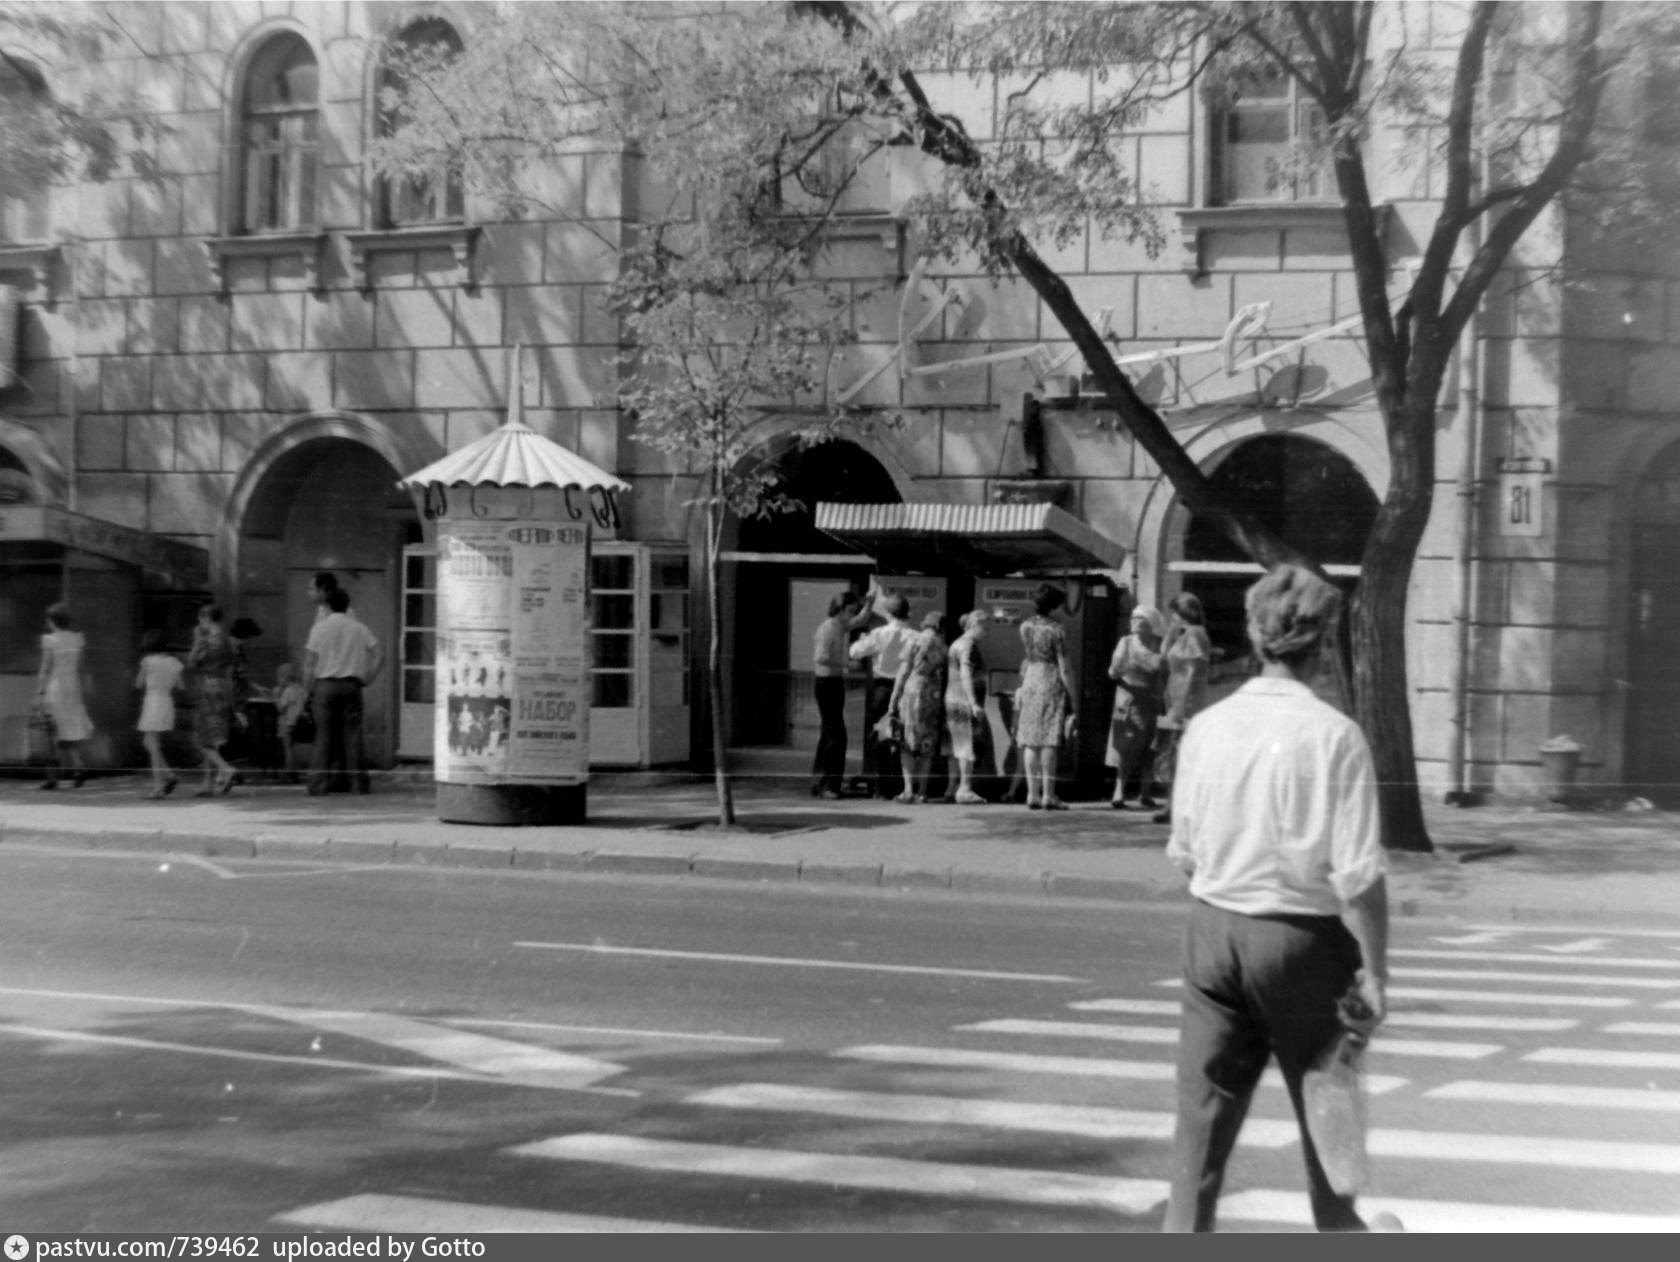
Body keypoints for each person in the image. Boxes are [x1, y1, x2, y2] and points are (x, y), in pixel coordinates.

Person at [1162, 564, 1389, 1234]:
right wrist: (1376, 975)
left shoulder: (1207, 726)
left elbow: (1186, 851)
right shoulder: (1335, 735)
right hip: (1302, 943)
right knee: (1327, 1115)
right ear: (1322, 643)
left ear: (1255, 635)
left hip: (1213, 933)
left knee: (1198, 1137)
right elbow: (1359, 878)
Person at [303, 586, 383, 795]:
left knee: (324, 736)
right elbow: (378, 654)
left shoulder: (319, 629)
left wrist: (307, 690)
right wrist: (368, 678)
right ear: (347, 606)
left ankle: (318, 784)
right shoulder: (359, 628)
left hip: (325, 686)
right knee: (353, 736)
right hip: (351, 686)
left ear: (328, 606)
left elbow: (309, 663)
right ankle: (358, 784)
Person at [847, 586, 917, 799]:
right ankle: (902, 785)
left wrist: (862, 638)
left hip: (882, 688)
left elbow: (854, 652)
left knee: (881, 735)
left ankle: (882, 786)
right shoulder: (916, 636)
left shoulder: (879, 634)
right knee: (905, 738)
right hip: (908, 689)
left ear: (888, 613)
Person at [1152, 592, 1214, 825]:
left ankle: (1177, 805)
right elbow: (1163, 655)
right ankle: (1173, 803)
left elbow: (1192, 671)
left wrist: (1181, 704)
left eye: (1175, 613)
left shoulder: (1196, 634)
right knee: (1173, 751)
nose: (1173, 617)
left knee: (1179, 751)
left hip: (1188, 700)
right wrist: (1170, 632)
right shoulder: (1183, 634)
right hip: (1175, 694)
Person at [1013, 583, 1075, 811]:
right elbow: (1064, 667)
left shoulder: (1025, 626)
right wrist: (1073, 698)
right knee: (1049, 740)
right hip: (1050, 679)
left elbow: (1028, 655)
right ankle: (1049, 795)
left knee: (1030, 739)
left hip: (1031, 678)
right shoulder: (1057, 630)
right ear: (1054, 606)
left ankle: (1032, 794)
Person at [1106, 605, 1167, 809]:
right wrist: (1118, 668)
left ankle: (1145, 793)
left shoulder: (1158, 644)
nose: (1134, 622)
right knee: (1126, 748)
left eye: (1139, 619)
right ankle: (1119, 792)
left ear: (1150, 624)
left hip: (1151, 701)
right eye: (1133, 618)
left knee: (1150, 749)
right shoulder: (1125, 643)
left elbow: (1162, 668)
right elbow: (1112, 672)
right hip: (1128, 702)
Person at [888, 611, 948, 804]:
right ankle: (922, 791)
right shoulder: (942, 646)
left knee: (907, 742)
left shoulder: (915, 640)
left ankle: (908, 790)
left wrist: (894, 697)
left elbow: (904, 670)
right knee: (927, 743)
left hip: (914, 690)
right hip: (933, 693)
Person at [34, 602, 95, 789]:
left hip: (56, 686)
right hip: (73, 686)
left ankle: (52, 778)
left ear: (52, 621)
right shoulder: (77, 639)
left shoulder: (50, 640)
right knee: (69, 730)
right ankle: (79, 768)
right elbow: (82, 667)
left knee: (51, 730)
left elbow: (45, 668)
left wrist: (39, 692)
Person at [811, 590, 863, 799]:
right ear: (839, 609)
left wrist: (869, 604)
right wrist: (847, 664)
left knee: (829, 734)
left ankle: (820, 782)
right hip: (827, 683)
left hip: (833, 682)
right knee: (836, 736)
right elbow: (820, 657)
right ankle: (829, 785)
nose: (852, 615)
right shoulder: (828, 628)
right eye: (850, 611)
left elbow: (860, 620)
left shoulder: (839, 626)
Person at [187, 603, 239, 797]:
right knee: (211, 736)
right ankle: (207, 783)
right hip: (224, 687)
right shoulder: (228, 641)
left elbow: (191, 663)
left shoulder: (205, 641)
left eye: (201, 619)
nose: (200, 623)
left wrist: (196, 639)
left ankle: (226, 769)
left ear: (207, 618)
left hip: (209, 688)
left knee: (199, 738)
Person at [943, 610, 990, 805]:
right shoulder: (969, 645)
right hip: (964, 701)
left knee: (955, 745)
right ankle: (965, 788)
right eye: (985, 628)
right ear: (974, 626)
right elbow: (965, 673)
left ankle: (951, 787)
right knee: (967, 745)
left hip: (952, 698)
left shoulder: (956, 643)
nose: (987, 632)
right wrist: (974, 703)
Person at [134, 628, 183, 799]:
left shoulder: (148, 661)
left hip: (152, 702)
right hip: (167, 702)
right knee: (148, 741)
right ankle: (169, 774)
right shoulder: (174, 662)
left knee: (153, 745)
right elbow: (181, 686)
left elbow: (138, 683)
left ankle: (158, 786)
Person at [273, 662, 309, 784]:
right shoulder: (301, 690)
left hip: (286, 723)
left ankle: (288, 773)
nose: (278, 681)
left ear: (284, 677)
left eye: (279, 678)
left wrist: (276, 697)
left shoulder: (287, 691)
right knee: (293, 749)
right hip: (297, 723)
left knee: (287, 749)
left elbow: (281, 709)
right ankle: (294, 773)